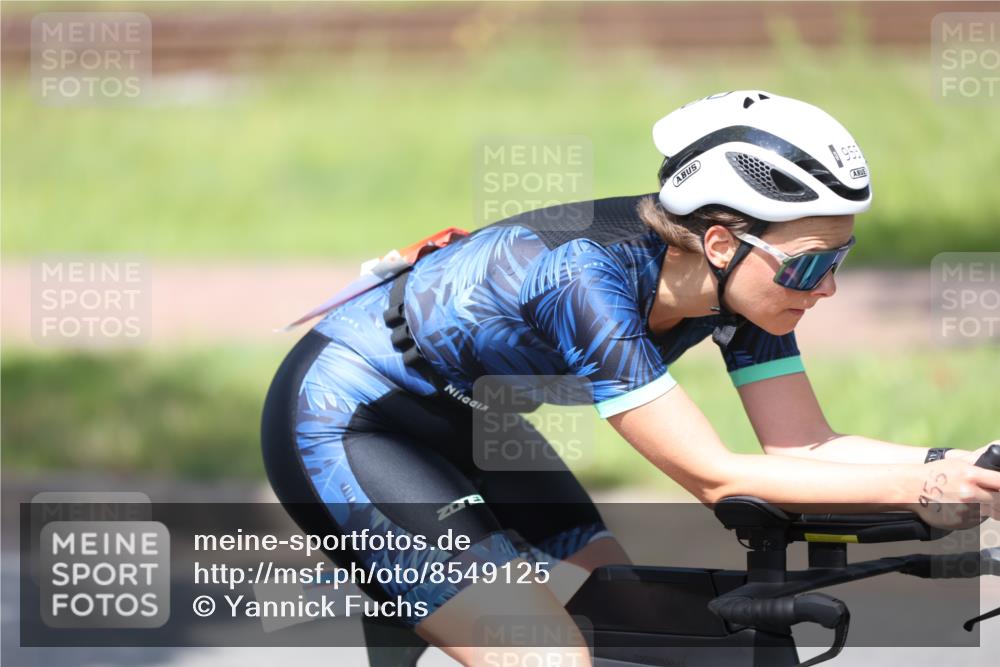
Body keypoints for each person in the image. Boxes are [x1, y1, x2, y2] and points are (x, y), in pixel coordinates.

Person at [261, 90, 999, 666]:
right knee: (547, 651)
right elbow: (712, 476)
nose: (826, 287)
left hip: (464, 417)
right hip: (347, 417)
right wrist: (928, 492)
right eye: (810, 263)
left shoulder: (741, 287)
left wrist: (955, 470)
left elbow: (803, 447)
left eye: (840, 259)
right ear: (719, 240)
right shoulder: (584, 281)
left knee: (629, 612)